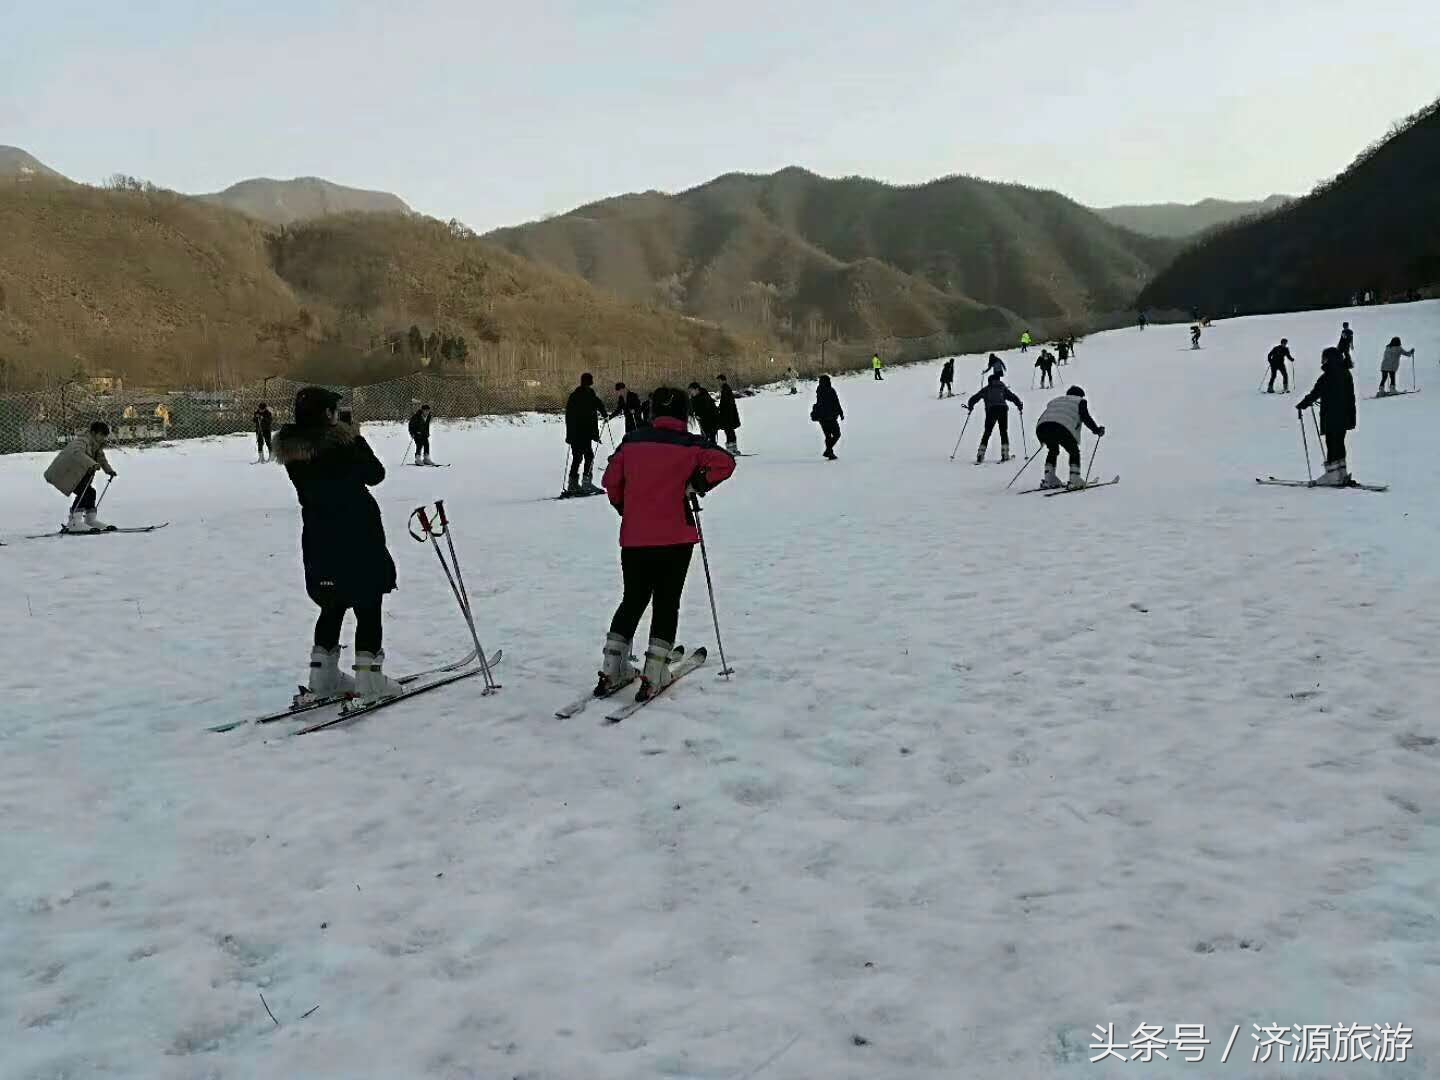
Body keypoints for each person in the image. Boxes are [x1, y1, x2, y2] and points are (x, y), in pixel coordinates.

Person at [598, 386, 736, 700]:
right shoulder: (691, 443)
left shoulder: (632, 442)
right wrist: (697, 482)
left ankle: (612, 665)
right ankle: (656, 667)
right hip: (676, 537)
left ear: (652, 412)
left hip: (635, 536)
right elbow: (725, 463)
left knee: (632, 599)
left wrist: (625, 507)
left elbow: (610, 482)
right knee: (666, 601)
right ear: (684, 413)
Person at [274, 387, 400, 702]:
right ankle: (369, 680)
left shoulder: (295, 453)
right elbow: (376, 474)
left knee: (332, 603)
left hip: (319, 539)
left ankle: (323, 675)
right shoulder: (344, 446)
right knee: (368, 603)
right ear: (328, 415)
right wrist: (355, 437)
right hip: (357, 536)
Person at [1297, 347, 1357, 486]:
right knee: (1339, 443)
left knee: (1332, 444)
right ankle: (1341, 473)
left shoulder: (1328, 376)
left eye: (1324, 358)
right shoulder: (1346, 373)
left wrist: (1302, 404)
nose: (1322, 360)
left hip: (1332, 415)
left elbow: (1316, 393)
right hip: (1346, 415)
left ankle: (1333, 476)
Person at [44, 421, 118, 533]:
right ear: (93, 433)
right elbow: (77, 452)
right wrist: (91, 464)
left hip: (75, 474)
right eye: (102, 435)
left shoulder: (96, 445)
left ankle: (90, 520)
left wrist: (109, 471)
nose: (103, 438)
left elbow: (101, 459)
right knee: (85, 491)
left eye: (105, 436)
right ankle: (74, 522)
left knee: (90, 492)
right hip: (64, 473)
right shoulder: (82, 441)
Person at [1035, 385, 1105, 489]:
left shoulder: (1055, 401)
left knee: (1053, 450)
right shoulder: (1080, 401)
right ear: (1080, 395)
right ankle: (1075, 478)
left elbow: (1045, 416)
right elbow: (1086, 417)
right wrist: (1097, 430)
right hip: (1061, 427)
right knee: (1074, 451)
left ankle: (1049, 478)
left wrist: (1042, 438)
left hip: (1042, 427)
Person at [565, 373, 608, 495]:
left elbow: (568, 416)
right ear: (589, 382)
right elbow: (598, 404)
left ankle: (573, 484)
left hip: (577, 433)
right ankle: (585, 483)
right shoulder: (588, 394)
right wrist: (604, 414)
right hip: (583, 433)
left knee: (578, 457)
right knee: (587, 456)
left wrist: (569, 435)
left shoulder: (575, 395)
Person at [966, 372, 1024, 463]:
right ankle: (1005, 454)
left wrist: (970, 407)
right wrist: (1019, 405)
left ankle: (980, 454)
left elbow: (974, 398)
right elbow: (1013, 397)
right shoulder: (1002, 388)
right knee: (1003, 431)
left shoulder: (986, 389)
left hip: (991, 411)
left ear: (990, 381)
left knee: (987, 432)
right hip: (1002, 410)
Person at [812, 375, 845, 459]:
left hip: (821, 418)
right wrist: (840, 413)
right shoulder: (830, 390)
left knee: (828, 436)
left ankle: (829, 452)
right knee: (837, 434)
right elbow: (836, 402)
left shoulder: (819, 390)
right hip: (830, 417)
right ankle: (828, 451)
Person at [717, 374, 742, 453]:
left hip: (727, 415)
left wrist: (720, 409)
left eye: (719, 381)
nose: (719, 382)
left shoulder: (725, 389)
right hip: (728, 414)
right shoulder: (725, 388)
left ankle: (732, 449)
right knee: (730, 431)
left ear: (723, 380)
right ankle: (733, 448)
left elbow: (726, 403)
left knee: (728, 431)